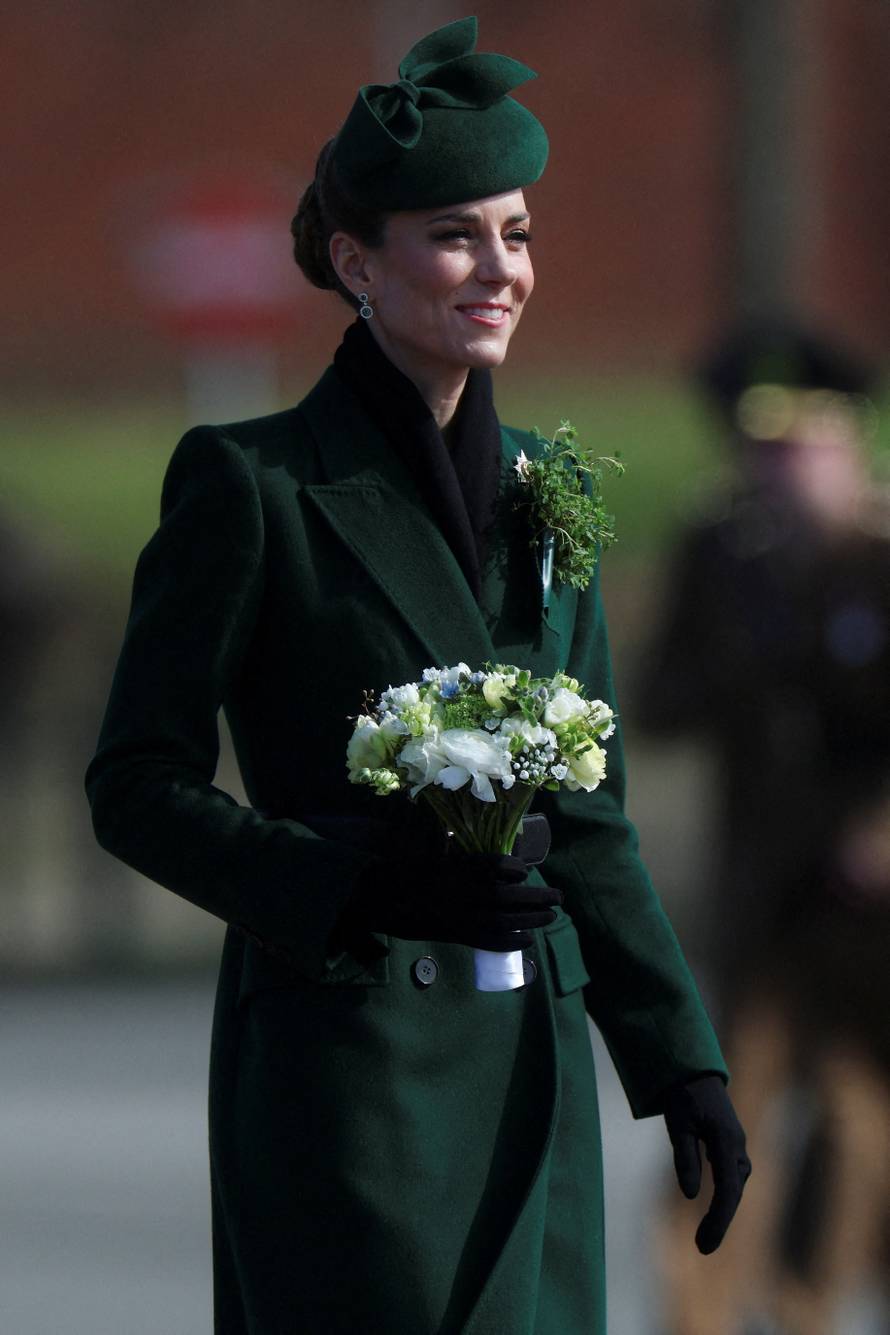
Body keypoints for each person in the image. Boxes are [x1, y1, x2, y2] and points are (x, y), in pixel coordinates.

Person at [85, 18, 749, 1335]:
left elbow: (596, 813)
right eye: (455, 235)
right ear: (355, 261)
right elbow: (134, 785)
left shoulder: (550, 493)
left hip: (532, 1069)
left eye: (516, 233)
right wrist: (355, 881)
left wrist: (679, 1059)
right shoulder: (251, 482)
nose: (498, 267)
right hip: (349, 1071)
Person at [636, 320, 890, 1333]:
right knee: (720, 1114)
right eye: (760, 445)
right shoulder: (718, 552)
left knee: (855, 1125)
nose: (777, 466)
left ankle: (808, 1305)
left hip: (867, 911)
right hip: (761, 888)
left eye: (801, 443)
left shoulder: (876, 555)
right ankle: (702, 1314)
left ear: (848, 441)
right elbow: (659, 703)